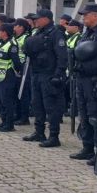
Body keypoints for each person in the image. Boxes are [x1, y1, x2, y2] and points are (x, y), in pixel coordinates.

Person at [70, 4, 97, 164]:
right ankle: (87, 148)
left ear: (96, 16)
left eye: (86, 15)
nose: (83, 18)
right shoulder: (87, 33)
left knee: (95, 116)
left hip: (94, 80)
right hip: (82, 79)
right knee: (84, 115)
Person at [22, 8, 68, 147]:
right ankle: (39, 132)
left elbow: (62, 56)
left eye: (38, 18)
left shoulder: (56, 34)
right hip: (36, 73)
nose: (35, 21)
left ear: (46, 19)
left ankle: (54, 136)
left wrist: (58, 74)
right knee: (37, 104)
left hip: (49, 75)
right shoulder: (39, 32)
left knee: (51, 107)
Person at [0, 23, 22, 132]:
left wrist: (18, 72)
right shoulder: (0, 43)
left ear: (4, 32)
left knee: (7, 101)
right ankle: (3, 121)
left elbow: (16, 61)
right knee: (0, 101)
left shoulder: (12, 44)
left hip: (7, 76)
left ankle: (9, 124)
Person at [13, 18, 31, 125]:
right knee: (16, 93)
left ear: (21, 27)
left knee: (23, 93)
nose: (14, 27)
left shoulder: (26, 38)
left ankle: (24, 117)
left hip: (24, 68)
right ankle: (17, 114)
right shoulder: (15, 37)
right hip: (15, 68)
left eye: (15, 25)